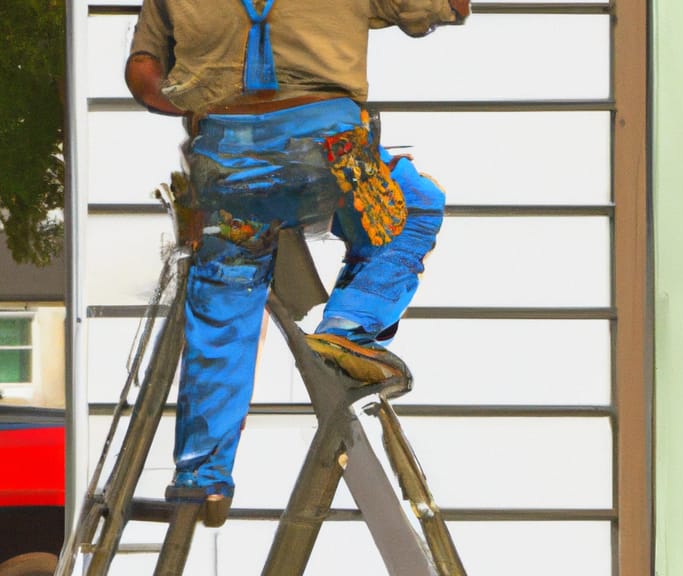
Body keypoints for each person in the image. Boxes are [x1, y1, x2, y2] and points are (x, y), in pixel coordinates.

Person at [125, 0, 468, 527]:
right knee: (413, 208)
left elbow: (144, 73)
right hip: (328, 156)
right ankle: (348, 325)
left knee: (224, 303)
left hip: (225, 161)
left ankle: (202, 479)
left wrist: (201, 102)